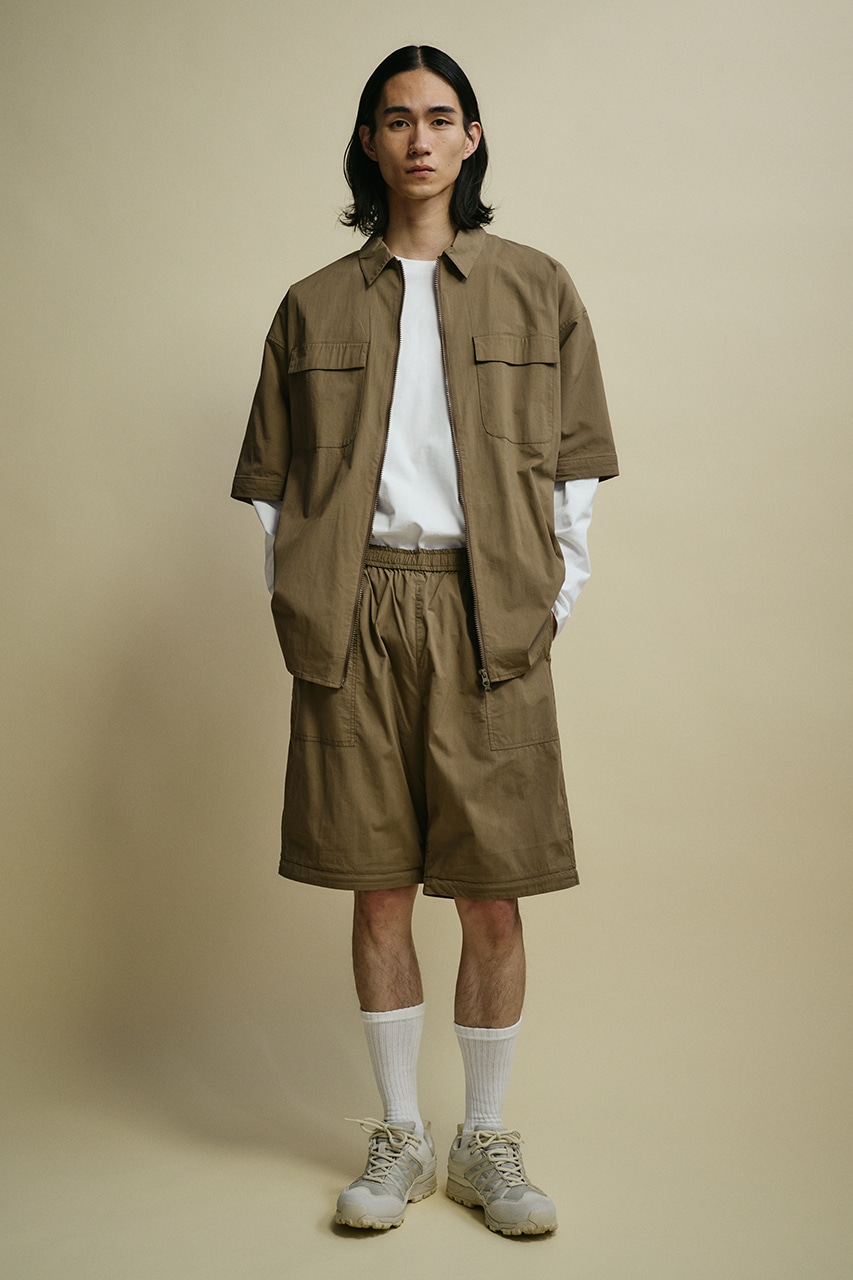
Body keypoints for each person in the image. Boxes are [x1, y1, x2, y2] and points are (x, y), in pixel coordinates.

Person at [231, 44, 618, 1237]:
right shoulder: (312, 303)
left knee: (493, 895)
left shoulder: (536, 286)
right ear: (369, 141)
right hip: (356, 607)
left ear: (472, 137)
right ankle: (398, 1133)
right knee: (379, 888)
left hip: (487, 606)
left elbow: (576, 468)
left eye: (441, 117)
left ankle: (483, 1139)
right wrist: (306, 599)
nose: (419, 138)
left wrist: (550, 598)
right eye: (396, 119)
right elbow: (272, 484)